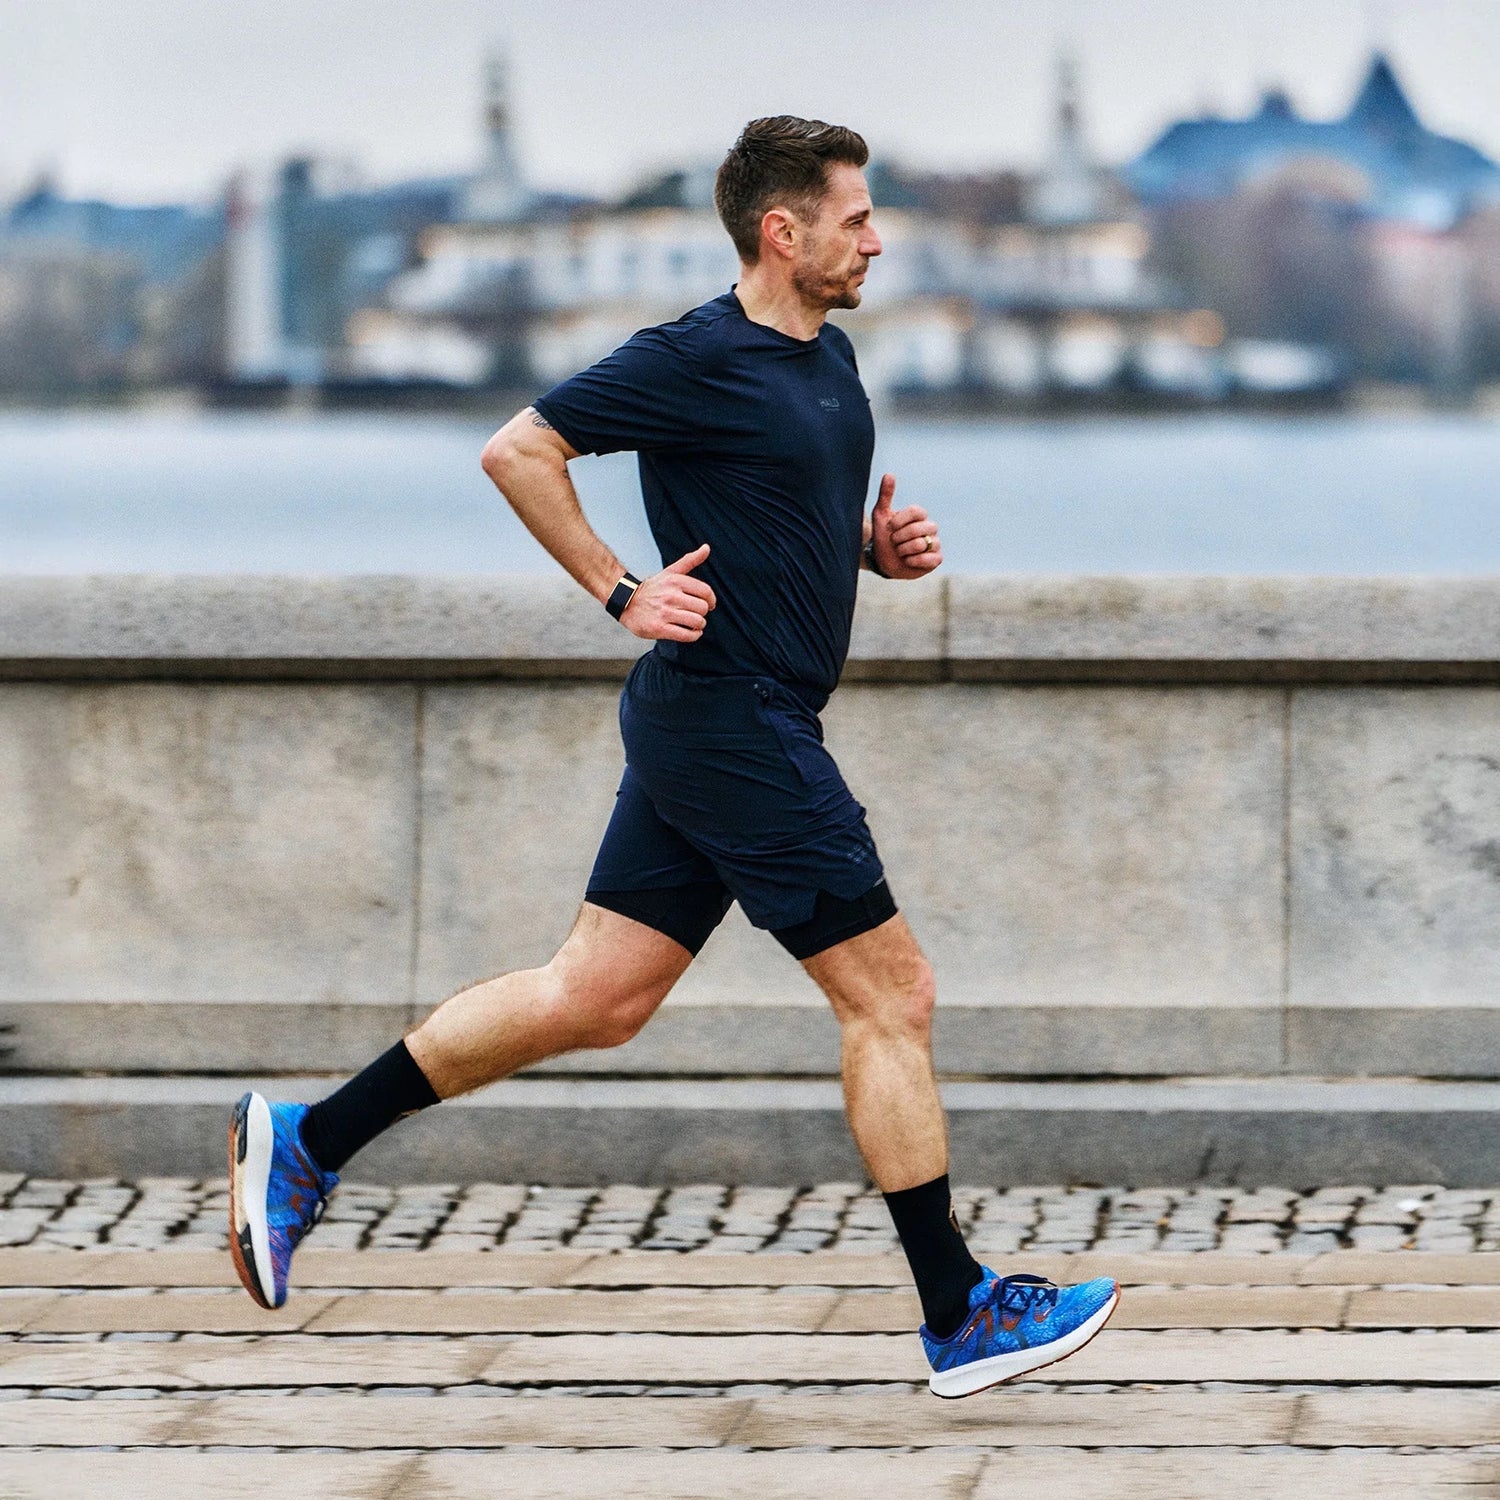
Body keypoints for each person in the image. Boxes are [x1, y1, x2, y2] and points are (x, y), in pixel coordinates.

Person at [227, 114, 1118, 1398]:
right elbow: (517, 449)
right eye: (855, 216)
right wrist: (618, 590)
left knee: (596, 997)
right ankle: (959, 1309)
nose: (876, 236)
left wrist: (873, 552)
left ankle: (308, 1140)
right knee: (892, 995)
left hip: (732, 718)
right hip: (731, 719)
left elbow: (780, 514)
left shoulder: (832, 357)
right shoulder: (692, 356)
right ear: (784, 230)